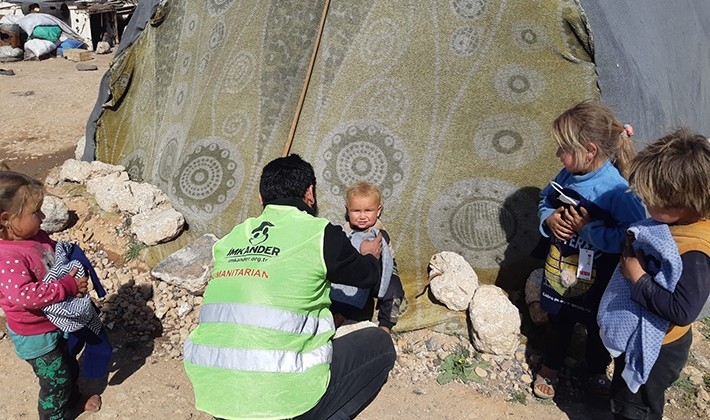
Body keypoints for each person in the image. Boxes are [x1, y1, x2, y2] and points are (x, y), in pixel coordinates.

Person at [183, 154, 397, 419]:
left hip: (217, 395)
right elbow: (366, 277)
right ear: (310, 193)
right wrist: (369, 255)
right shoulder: (320, 233)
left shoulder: (231, 238)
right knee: (379, 343)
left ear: (261, 198)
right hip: (285, 400)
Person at [533, 100, 646, 399]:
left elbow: (633, 237)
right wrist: (550, 219)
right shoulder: (567, 175)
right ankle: (552, 366)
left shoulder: (617, 192)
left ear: (590, 150)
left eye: (563, 149)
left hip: (602, 281)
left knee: (599, 328)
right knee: (558, 319)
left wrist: (588, 230)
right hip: (562, 270)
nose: (558, 155)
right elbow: (546, 199)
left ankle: (596, 370)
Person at [598, 128, 710, 419]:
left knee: (638, 407)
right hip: (643, 335)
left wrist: (637, 276)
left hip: (659, 348)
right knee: (624, 395)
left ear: (683, 202)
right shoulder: (679, 223)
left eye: (651, 198)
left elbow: (683, 310)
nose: (645, 202)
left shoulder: (695, 251)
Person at [0, 169, 102, 419]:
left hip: (55, 322)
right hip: (35, 335)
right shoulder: (7, 257)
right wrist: (68, 286)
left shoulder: (34, 235)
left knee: (67, 365)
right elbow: (25, 296)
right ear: (6, 218)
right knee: (54, 381)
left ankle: (73, 399)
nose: (43, 216)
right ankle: (53, 415)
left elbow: (52, 255)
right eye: (35, 212)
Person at [330, 181, 405, 334]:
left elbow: (387, 261)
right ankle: (340, 315)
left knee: (395, 289)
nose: (362, 216)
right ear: (347, 210)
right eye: (356, 211)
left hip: (381, 273)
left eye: (368, 211)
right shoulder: (344, 232)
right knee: (338, 288)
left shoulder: (379, 232)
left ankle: (386, 325)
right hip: (355, 273)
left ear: (378, 211)